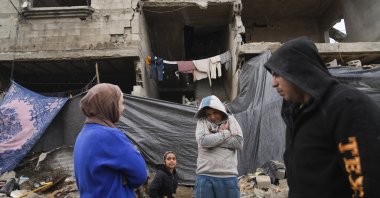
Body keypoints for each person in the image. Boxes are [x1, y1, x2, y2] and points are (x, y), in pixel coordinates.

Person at [264, 36, 380, 198]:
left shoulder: (346, 106)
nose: (273, 83)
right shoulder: (296, 115)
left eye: (278, 74)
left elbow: (368, 183)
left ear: (298, 70)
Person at [73, 83, 147, 198]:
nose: (123, 108)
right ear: (109, 105)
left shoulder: (82, 136)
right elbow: (140, 175)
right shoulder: (109, 135)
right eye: (121, 103)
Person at [194, 95, 244, 198]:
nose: (212, 117)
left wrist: (212, 140)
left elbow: (238, 142)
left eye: (215, 112)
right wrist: (225, 134)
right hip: (205, 176)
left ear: (220, 110)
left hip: (228, 176)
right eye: (208, 114)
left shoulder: (231, 120)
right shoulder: (202, 121)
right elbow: (203, 140)